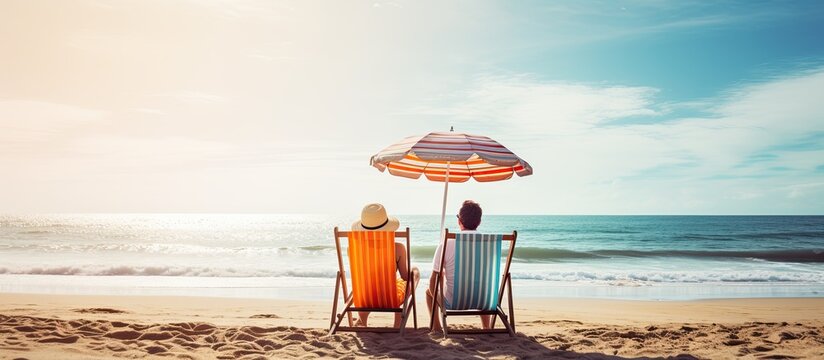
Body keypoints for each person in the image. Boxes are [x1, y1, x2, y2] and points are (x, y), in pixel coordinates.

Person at [426, 200, 492, 332]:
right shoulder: (489, 243)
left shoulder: (447, 243)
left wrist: (441, 302)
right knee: (482, 285)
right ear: (479, 222)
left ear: (459, 221)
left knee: (429, 292)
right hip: (484, 301)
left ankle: (436, 327)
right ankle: (486, 327)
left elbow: (433, 280)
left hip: (454, 302)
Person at [351, 203, 420, 328]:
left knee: (368, 285)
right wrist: (414, 273)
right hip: (390, 299)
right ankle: (397, 324)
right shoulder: (398, 248)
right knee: (414, 272)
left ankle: (362, 321)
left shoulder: (354, 249)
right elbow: (405, 277)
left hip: (363, 298)